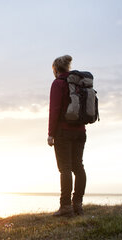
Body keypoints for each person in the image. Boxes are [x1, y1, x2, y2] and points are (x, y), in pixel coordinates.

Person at [48, 55, 87, 217]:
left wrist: (51, 134)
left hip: (63, 132)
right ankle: (77, 204)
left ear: (56, 69)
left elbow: (54, 109)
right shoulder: (78, 84)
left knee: (64, 169)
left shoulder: (58, 83)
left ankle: (65, 206)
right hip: (80, 131)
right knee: (78, 167)